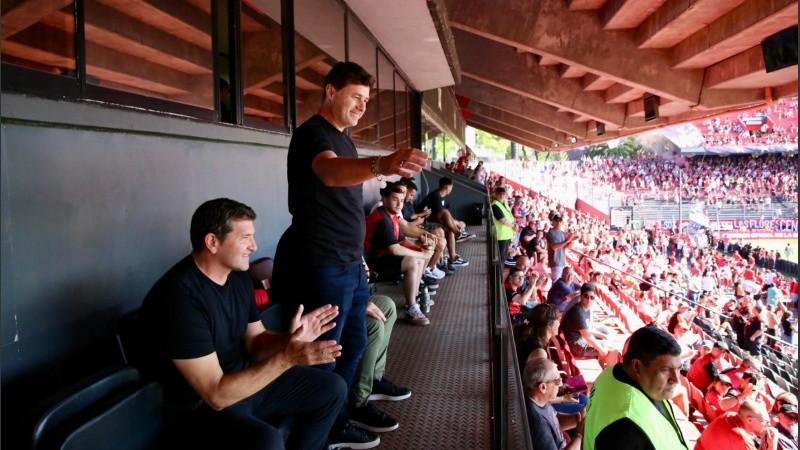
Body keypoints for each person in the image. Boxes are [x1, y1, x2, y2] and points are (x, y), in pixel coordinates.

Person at [270, 61, 427, 449]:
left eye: (366, 100)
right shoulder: (313, 135)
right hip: (323, 266)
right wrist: (379, 165)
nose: (361, 106)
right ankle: (313, 439)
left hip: (350, 265)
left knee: (353, 347)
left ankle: (337, 423)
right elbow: (328, 172)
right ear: (330, 91)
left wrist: (359, 259)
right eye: (356, 97)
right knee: (323, 357)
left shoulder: (345, 137)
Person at [140, 198, 346, 450]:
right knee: (265, 441)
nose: (254, 246)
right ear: (212, 242)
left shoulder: (238, 278)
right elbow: (215, 394)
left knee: (332, 388)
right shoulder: (179, 298)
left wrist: (290, 340)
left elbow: (256, 341)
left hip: (245, 381)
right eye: (245, 237)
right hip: (200, 408)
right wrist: (287, 358)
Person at [583, 326, 689, 450]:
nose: (676, 380)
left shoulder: (612, 373)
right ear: (637, 366)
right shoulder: (625, 427)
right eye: (665, 370)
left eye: (678, 368)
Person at [364, 182, 433, 326]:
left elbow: (402, 241)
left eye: (401, 200)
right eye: (395, 199)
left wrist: (420, 251)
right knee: (412, 261)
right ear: (385, 199)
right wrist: (422, 255)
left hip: (384, 258)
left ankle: (413, 300)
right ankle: (411, 308)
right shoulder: (382, 219)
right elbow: (395, 249)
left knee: (417, 258)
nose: (399, 204)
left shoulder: (393, 216)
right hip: (372, 264)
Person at [348, 294, 411, 433]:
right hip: (325, 303)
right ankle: (357, 402)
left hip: (348, 294)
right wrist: (356, 305)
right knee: (373, 325)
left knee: (387, 305)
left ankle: (374, 378)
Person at [522, 358, 585, 450]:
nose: (560, 384)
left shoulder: (539, 400)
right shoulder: (538, 424)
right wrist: (579, 435)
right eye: (557, 381)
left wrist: (579, 419)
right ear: (543, 387)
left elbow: (555, 421)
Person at [560, 283, 619, 368]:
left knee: (605, 341)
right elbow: (588, 336)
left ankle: (602, 369)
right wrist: (601, 350)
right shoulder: (578, 312)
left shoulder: (585, 309)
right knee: (613, 350)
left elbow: (588, 329)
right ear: (581, 295)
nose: (589, 299)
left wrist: (604, 338)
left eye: (592, 297)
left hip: (578, 342)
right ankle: (608, 376)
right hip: (576, 346)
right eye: (586, 296)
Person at [420, 177, 474, 267]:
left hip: (433, 221)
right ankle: (459, 234)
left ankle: (453, 257)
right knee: (447, 216)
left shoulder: (442, 197)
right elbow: (442, 215)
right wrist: (457, 224)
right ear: (447, 187)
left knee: (450, 230)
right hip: (425, 222)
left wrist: (456, 222)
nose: (451, 190)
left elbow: (444, 217)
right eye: (451, 188)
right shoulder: (435, 196)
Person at [694, 399, 778, 450]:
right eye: (765, 422)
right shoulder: (741, 438)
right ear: (750, 420)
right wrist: (773, 445)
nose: (768, 425)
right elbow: (740, 439)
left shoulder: (729, 414)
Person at [546, 213, 578, 281]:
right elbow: (554, 247)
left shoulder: (562, 233)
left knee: (561, 281)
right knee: (555, 283)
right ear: (553, 222)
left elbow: (566, 247)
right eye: (556, 220)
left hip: (562, 261)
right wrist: (567, 241)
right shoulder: (550, 233)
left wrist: (572, 240)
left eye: (560, 221)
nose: (558, 222)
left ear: (562, 222)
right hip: (555, 262)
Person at [490, 187, 516, 264]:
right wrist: (513, 226)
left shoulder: (504, 203)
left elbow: (510, 217)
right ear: (496, 194)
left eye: (504, 194)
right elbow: (503, 221)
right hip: (501, 236)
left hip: (506, 235)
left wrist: (514, 224)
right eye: (499, 194)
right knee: (500, 259)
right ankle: (498, 274)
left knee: (503, 258)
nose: (502, 196)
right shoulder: (495, 205)